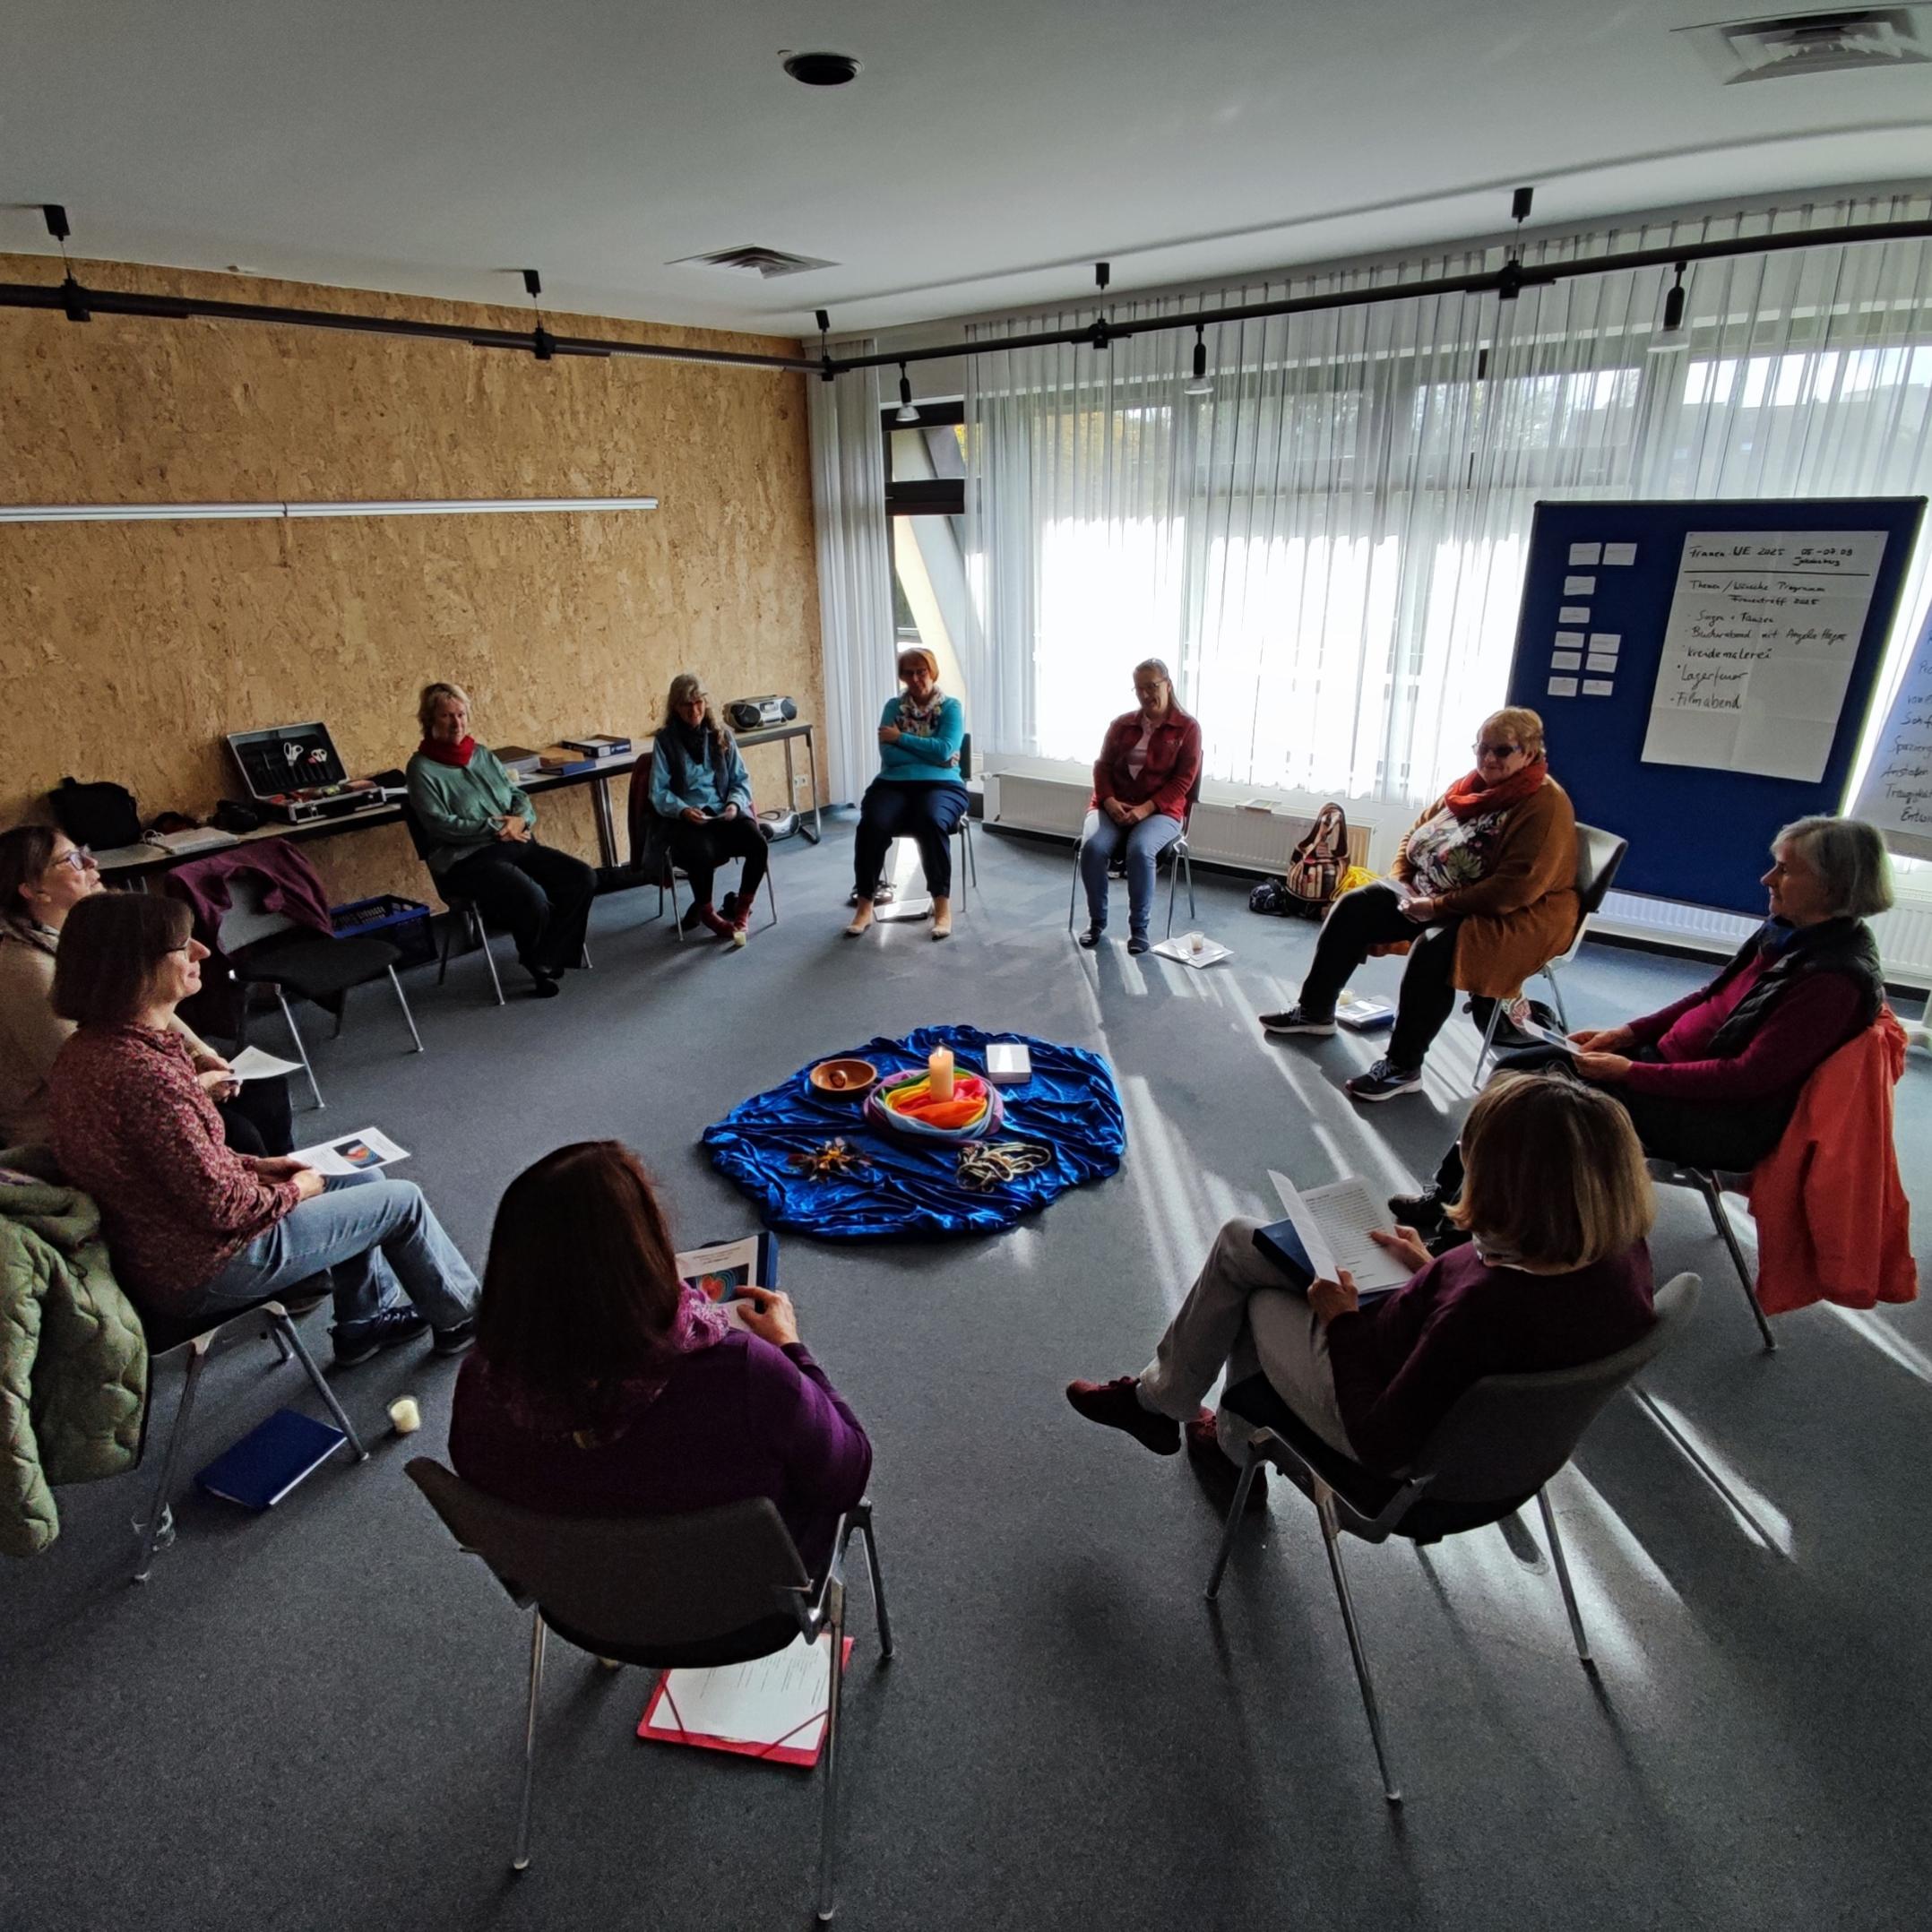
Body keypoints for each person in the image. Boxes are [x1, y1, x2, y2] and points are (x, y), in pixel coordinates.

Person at [1066, 1073, 1656, 1504]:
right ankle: (1171, 1408)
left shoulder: (1483, 1306)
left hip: (1385, 1430)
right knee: (1244, 1242)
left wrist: (1342, 1319)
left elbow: (1379, 1440)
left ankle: (1216, 1441)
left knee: (1253, 1287)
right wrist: (1431, 1268)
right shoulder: (1620, 1253)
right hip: (1502, 1448)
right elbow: (1485, 1318)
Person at [1393, 815, 1894, 1237]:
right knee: (1516, 1069)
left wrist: (1626, 1072)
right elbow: (1710, 997)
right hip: (1670, 1073)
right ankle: (1449, 1200)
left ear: (1833, 885)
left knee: (1531, 1109)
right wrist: (1628, 1036)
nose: (1767, 879)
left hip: (1717, 1118)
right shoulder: (1791, 933)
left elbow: (1745, 1078)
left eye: (1785, 870)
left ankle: (1463, 1235)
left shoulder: (1833, 981)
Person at [47, 893, 479, 1365]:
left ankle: (362, 1324)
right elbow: (223, 1209)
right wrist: (295, 1189)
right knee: (402, 1201)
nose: (202, 952)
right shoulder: (146, 1077)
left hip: (161, 1246)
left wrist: (258, 1165)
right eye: (182, 945)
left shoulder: (90, 1049)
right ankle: (464, 1317)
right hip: (207, 1267)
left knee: (362, 1176)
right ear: (135, 967)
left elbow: (175, 1164)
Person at [448, 1142, 871, 1574]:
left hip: (589, 1603)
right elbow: (849, 1473)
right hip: (751, 1610)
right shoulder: (745, 1371)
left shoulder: (481, 1384)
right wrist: (790, 1348)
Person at [1260, 707, 1579, 1103]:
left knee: (1436, 949)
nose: (1489, 759)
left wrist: (1436, 906)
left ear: (1530, 753)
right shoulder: (1469, 787)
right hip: (1434, 894)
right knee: (1353, 906)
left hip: (1515, 914)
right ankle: (1315, 1012)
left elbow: (1514, 889)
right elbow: (1417, 836)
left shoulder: (1545, 805)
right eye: (1482, 749)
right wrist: (1404, 884)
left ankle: (1403, 1066)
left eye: (1503, 750)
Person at [0, 824, 292, 1155]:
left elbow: (152, 1003)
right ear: (33, 890)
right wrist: (191, 1087)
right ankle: (267, 1198)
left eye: (84, 852)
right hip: (68, 1124)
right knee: (237, 1134)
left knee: (264, 1091)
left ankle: (290, 1189)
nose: (92, 864)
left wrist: (203, 1055)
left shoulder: (82, 934)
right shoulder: (25, 969)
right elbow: (87, 1079)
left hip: (139, 1078)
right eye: (73, 860)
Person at [405, 681, 596, 998]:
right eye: (446, 716)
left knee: (582, 877)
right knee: (530, 896)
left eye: (462, 714)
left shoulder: (481, 754)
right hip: (466, 860)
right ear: (429, 721)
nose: (457, 723)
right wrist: (495, 829)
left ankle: (547, 953)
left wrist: (522, 819)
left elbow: (516, 795)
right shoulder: (421, 769)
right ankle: (538, 964)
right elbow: (440, 825)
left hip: (513, 842)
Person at [1077, 659, 1203, 955]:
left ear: (1168, 686)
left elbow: (1183, 782)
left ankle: (1139, 929)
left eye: (1152, 686)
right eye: (1139, 688)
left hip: (1162, 811)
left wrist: (1145, 809)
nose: (1146, 694)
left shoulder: (1187, 728)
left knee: (1140, 850)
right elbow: (1102, 767)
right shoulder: (1122, 724)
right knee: (1093, 848)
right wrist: (1108, 801)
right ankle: (1097, 922)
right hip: (1112, 804)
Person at [844, 647, 969, 942]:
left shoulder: (950, 707)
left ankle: (942, 907)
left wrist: (901, 738)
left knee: (931, 821)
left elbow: (946, 750)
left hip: (943, 785)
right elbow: (889, 755)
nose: (915, 678)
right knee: (872, 824)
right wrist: (930, 754)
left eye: (921, 671)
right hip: (893, 782)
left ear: (932, 672)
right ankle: (864, 905)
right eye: (908, 672)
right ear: (901, 676)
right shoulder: (893, 707)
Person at [648, 673, 768, 948]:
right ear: (675, 708)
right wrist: (682, 809)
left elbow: (740, 779)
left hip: (722, 812)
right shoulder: (665, 741)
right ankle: (708, 913)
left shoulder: (721, 735)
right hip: (688, 818)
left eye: (699, 702)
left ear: (706, 703)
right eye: (687, 705)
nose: (694, 710)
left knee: (757, 843)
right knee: (700, 852)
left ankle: (741, 908)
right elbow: (658, 792)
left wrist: (734, 803)